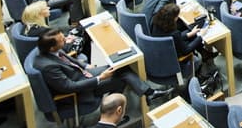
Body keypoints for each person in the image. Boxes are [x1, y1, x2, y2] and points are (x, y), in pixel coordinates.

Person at [35, 29, 171, 110]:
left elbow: (69, 60)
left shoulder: (51, 51)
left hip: (83, 73)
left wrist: (85, 66)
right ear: (52, 47)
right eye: (62, 40)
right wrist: (100, 78)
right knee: (121, 79)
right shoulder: (48, 67)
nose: (66, 39)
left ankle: (148, 93)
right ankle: (112, 112)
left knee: (119, 66)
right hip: (82, 89)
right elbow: (69, 87)